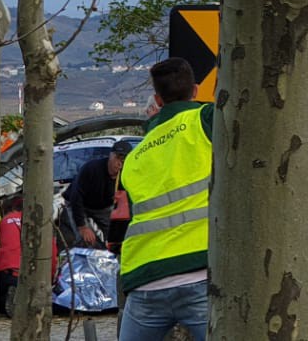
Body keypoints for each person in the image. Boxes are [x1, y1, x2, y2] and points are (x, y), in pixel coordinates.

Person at [118, 58, 212, 341]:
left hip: (144, 277)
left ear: (157, 99)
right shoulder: (205, 119)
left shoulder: (135, 156)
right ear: (195, 90)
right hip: (198, 271)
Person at [64, 139, 132, 249]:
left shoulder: (126, 176)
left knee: (117, 237)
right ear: (110, 155)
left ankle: (113, 260)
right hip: (78, 203)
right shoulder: (91, 169)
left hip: (102, 207)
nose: (120, 164)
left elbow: (124, 204)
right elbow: (76, 197)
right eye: (117, 158)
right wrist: (83, 227)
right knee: (85, 238)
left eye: (124, 160)